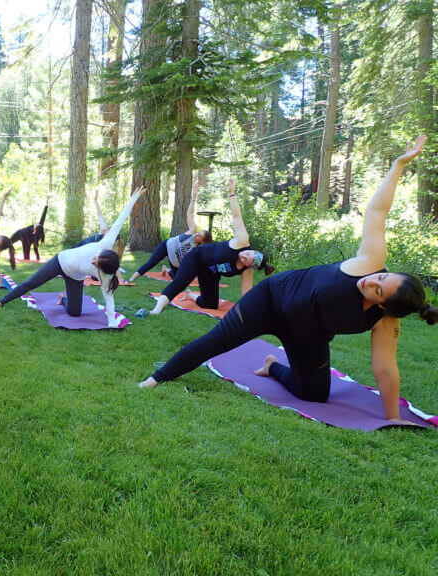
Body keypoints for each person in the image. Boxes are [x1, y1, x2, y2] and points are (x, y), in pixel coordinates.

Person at [138, 136, 438, 425]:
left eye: (378, 291)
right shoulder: (370, 261)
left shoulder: (385, 323)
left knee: (315, 394)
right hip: (270, 300)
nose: (370, 282)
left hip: (307, 335)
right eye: (381, 276)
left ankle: (272, 367)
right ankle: (157, 377)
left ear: (385, 307)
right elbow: (377, 211)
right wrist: (398, 165)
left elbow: (385, 370)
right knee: (216, 341)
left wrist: (392, 416)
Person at [0, 187, 145, 326]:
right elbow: (120, 221)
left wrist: (111, 322)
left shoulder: (104, 276)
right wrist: (134, 198)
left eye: (95, 264)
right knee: (31, 283)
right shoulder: (106, 243)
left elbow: (108, 298)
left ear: (102, 269)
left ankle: (63, 299)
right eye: (95, 258)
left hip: (75, 276)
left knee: (75, 313)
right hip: (60, 261)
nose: (92, 261)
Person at [148, 178, 273, 315]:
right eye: (248, 254)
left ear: (248, 266)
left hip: (210, 273)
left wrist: (250, 314)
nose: (243, 256)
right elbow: (237, 217)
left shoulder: (247, 271)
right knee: (180, 283)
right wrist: (232, 193)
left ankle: (191, 295)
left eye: (245, 261)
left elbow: (246, 295)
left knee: (211, 305)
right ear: (253, 250)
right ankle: (157, 309)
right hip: (197, 257)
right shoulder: (242, 241)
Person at [128, 181, 212, 282]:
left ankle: (166, 270)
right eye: (199, 233)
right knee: (151, 263)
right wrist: (193, 198)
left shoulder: (197, 250)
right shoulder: (192, 231)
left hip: (175, 260)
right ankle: (132, 278)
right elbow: (189, 213)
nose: (196, 235)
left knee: (178, 280)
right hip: (167, 246)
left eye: (199, 236)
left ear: (202, 241)